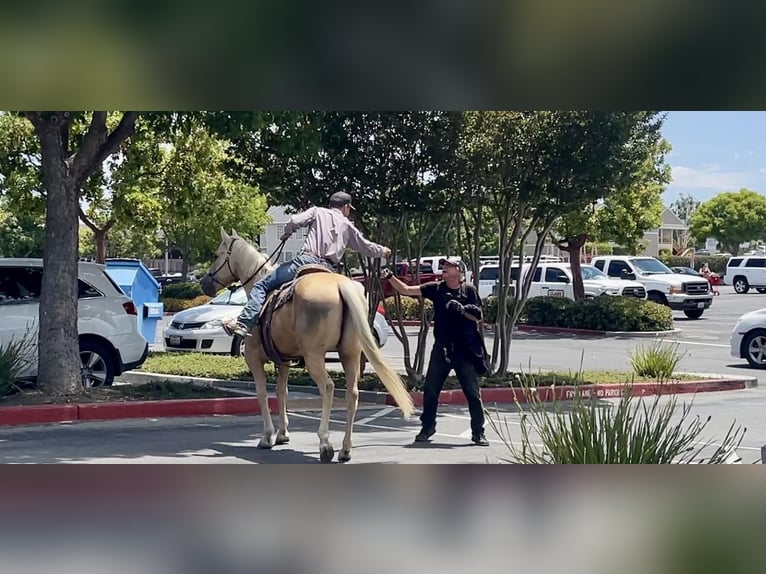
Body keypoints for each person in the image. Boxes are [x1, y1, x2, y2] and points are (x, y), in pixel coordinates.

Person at [223, 192, 391, 338]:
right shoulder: (347, 225)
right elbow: (366, 246)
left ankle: (243, 325)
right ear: (346, 207)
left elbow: (294, 220)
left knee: (261, 285)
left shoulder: (317, 212)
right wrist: (383, 251)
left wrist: (287, 232)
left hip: (305, 262)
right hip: (329, 270)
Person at [382, 257, 490, 446]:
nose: (444, 269)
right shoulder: (437, 288)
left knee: (472, 392)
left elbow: (478, 318)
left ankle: (478, 432)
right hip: (442, 349)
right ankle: (428, 426)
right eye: (444, 266)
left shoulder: (469, 291)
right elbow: (406, 290)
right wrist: (390, 277)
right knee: (431, 390)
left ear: (460, 271)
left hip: (464, 351)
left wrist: (462, 309)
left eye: (449, 266)